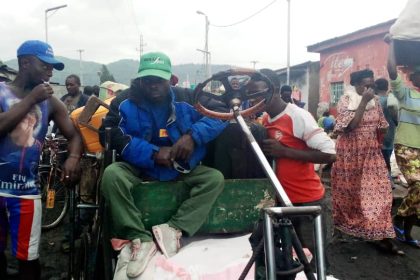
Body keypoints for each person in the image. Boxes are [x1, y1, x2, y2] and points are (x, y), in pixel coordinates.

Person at [99, 51, 227, 278]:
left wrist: (192, 136)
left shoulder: (189, 98)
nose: (153, 85)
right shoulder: (123, 102)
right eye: (148, 80)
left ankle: (174, 228)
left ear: (170, 79)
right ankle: (140, 237)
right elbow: (110, 134)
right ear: (139, 80)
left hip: (182, 168)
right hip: (141, 167)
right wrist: (153, 153)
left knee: (214, 179)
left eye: (159, 80)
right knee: (112, 175)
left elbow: (222, 113)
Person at [0, 40, 82, 280]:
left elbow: (74, 135)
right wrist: (30, 100)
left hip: (26, 193)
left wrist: (74, 157)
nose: (50, 72)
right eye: (45, 65)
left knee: (28, 257)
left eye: (53, 67)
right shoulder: (3, 92)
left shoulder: (51, 102)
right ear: (25, 63)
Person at [255, 69, 336, 261]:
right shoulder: (266, 119)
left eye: (258, 93)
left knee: (315, 260)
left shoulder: (298, 116)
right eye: (251, 94)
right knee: (288, 258)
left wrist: (284, 152)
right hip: (283, 202)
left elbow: (330, 154)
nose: (253, 99)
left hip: (308, 202)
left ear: (274, 90)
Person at [330, 69, 403, 255]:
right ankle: (349, 227)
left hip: (371, 154)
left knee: (380, 193)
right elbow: (351, 125)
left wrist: (377, 145)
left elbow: (382, 126)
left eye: (372, 85)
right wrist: (363, 101)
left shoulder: (376, 102)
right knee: (351, 194)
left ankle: (384, 236)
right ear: (355, 84)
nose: (369, 88)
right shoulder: (347, 100)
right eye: (365, 84)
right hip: (350, 155)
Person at [387, 41, 420, 249]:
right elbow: (391, 69)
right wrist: (391, 43)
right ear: (413, 77)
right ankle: (398, 219)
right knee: (418, 185)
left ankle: (405, 233)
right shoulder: (405, 93)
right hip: (406, 147)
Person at [374, 78, 398, 187]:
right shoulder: (392, 100)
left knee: (380, 160)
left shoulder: (375, 101)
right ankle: (389, 181)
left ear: (376, 87)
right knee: (386, 158)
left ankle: (386, 182)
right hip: (391, 134)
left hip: (378, 135)